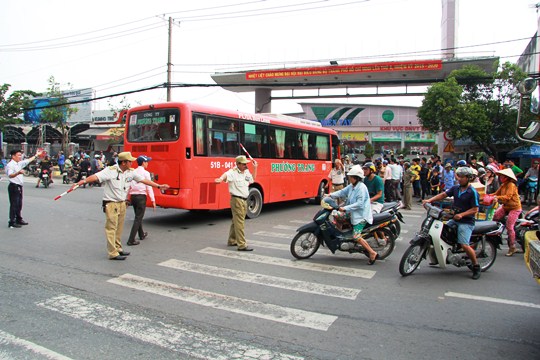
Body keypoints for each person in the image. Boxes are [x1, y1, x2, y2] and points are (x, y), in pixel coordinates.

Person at [71, 152, 170, 260]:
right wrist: (81, 182)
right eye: (130, 161)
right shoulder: (110, 171)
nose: (132, 163)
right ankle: (112, 253)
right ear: (123, 162)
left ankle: (118, 249)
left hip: (122, 203)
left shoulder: (130, 172)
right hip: (111, 203)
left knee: (119, 228)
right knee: (111, 228)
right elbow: (95, 177)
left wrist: (159, 186)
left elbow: (144, 180)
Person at [423, 167, 482, 280]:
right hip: (454, 219)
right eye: (458, 177)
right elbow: (443, 195)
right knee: (442, 234)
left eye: (462, 177)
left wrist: (462, 215)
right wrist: (430, 200)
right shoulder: (456, 188)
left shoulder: (472, 192)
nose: (459, 179)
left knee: (464, 244)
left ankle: (476, 266)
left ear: (468, 178)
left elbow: (475, 209)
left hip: (466, 222)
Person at [326, 165, 378, 265]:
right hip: (352, 213)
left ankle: (372, 253)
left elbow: (360, 204)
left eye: (350, 177)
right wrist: (330, 195)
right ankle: (342, 236)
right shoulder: (352, 186)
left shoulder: (361, 188)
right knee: (336, 215)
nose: (349, 178)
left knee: (356, 236)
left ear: (355, 178)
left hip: (361, 216)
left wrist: (344, 208)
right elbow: (342, 192)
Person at [215, 155, 258, 251]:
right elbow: (225, 175)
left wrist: (255, 168)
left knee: (236, 221)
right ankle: (242, 245)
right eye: (243, 164)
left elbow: (252, 179)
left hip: (244, 200)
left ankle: (232, 240)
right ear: (238, 164)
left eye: (246, 163)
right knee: (240, 223)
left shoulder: (246, 171)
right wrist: (220, 179)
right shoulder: (233, 172)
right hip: (237, 200)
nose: (246, 165)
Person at [6, 149, 44, 228]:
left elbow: (28, 160)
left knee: (19, 204)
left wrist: (36, 155)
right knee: (14, 204)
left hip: (19, 186)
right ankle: (11, 222)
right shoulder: (10, 165)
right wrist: (18, 173)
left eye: (20, 155)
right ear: (13, 156)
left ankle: (18, 219)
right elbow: (10, 175)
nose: (20, 157)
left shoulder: (19, 164)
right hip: (14, 186)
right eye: (18, 155)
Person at [489, 168, 522, 256]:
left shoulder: (511, 185)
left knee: (509, 226)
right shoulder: (503, 185)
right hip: (505, 206)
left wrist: (497, 198)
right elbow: (496, 193)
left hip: (515, 208)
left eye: (502, 176)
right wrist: (486, 196)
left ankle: (512, 247)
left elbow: (508, 196)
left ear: (506, 177)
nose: (500, 178)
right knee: (495, 217)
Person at [126, 155, 156, 246]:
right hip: (141, 197)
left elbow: (128, 186)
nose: (147, 163)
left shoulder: (132, 172)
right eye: (147, 162)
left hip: (133, 197)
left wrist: (127, 198)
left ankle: (141, 234)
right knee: (138, 218)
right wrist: (153, 199)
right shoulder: (146, 173)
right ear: (143, 163)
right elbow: (149, 186)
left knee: (137, 216)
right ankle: (131, 239)